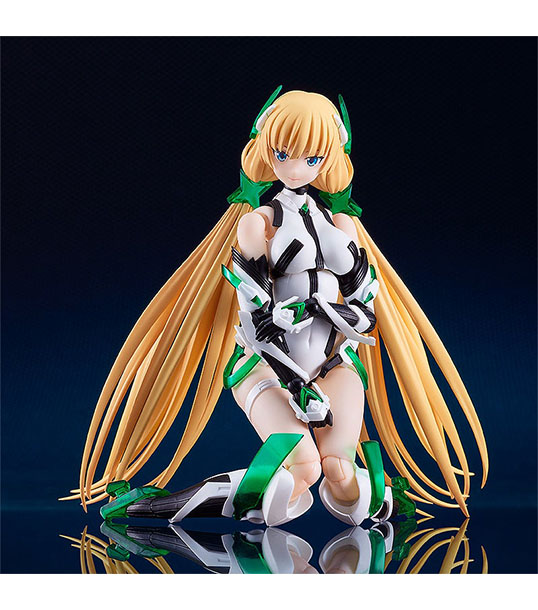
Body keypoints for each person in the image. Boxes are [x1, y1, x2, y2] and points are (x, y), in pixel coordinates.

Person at [62, 88, 488, 528]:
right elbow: (258, 323)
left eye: (312, 157)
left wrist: (326, 313)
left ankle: (386, 504)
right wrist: (298, 384)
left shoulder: (342, 225)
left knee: (340, 473)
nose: (297, 168)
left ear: (329, 158)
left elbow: (365, 312)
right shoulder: (258, 224)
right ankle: (155, 509)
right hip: (265, 367)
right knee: (302, 471)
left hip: (334, 364)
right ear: (266, 149)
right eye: (284, 153)